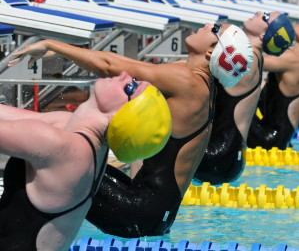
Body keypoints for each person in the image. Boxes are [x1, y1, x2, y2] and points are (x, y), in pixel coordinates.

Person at [8, 23, 253, 237]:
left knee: (43, 161)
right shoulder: (200, 82)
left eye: (215, 30)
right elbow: (128, 65)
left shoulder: (187, 81)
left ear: (212, 51)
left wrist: (52, 44)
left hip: (137, 210)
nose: (209, 24)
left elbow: (110, 67)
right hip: (152, 214)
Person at [0, 71, 171, 250]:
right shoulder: (77, 134)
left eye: (129, 88)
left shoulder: (64, 147)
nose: (125, 75)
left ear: (122, 115)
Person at [193, 12, 295, 185]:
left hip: (216, 156)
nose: (259, 13)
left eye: (265, 17)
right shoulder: (254, 58)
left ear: (264, 35)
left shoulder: (246, 62)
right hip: (229, 157)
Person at [247, 23, 299, 150]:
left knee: (223, 90)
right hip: (279, 138)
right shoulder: (291, 54)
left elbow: (247, 62)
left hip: (269, 139)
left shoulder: (294, 58)